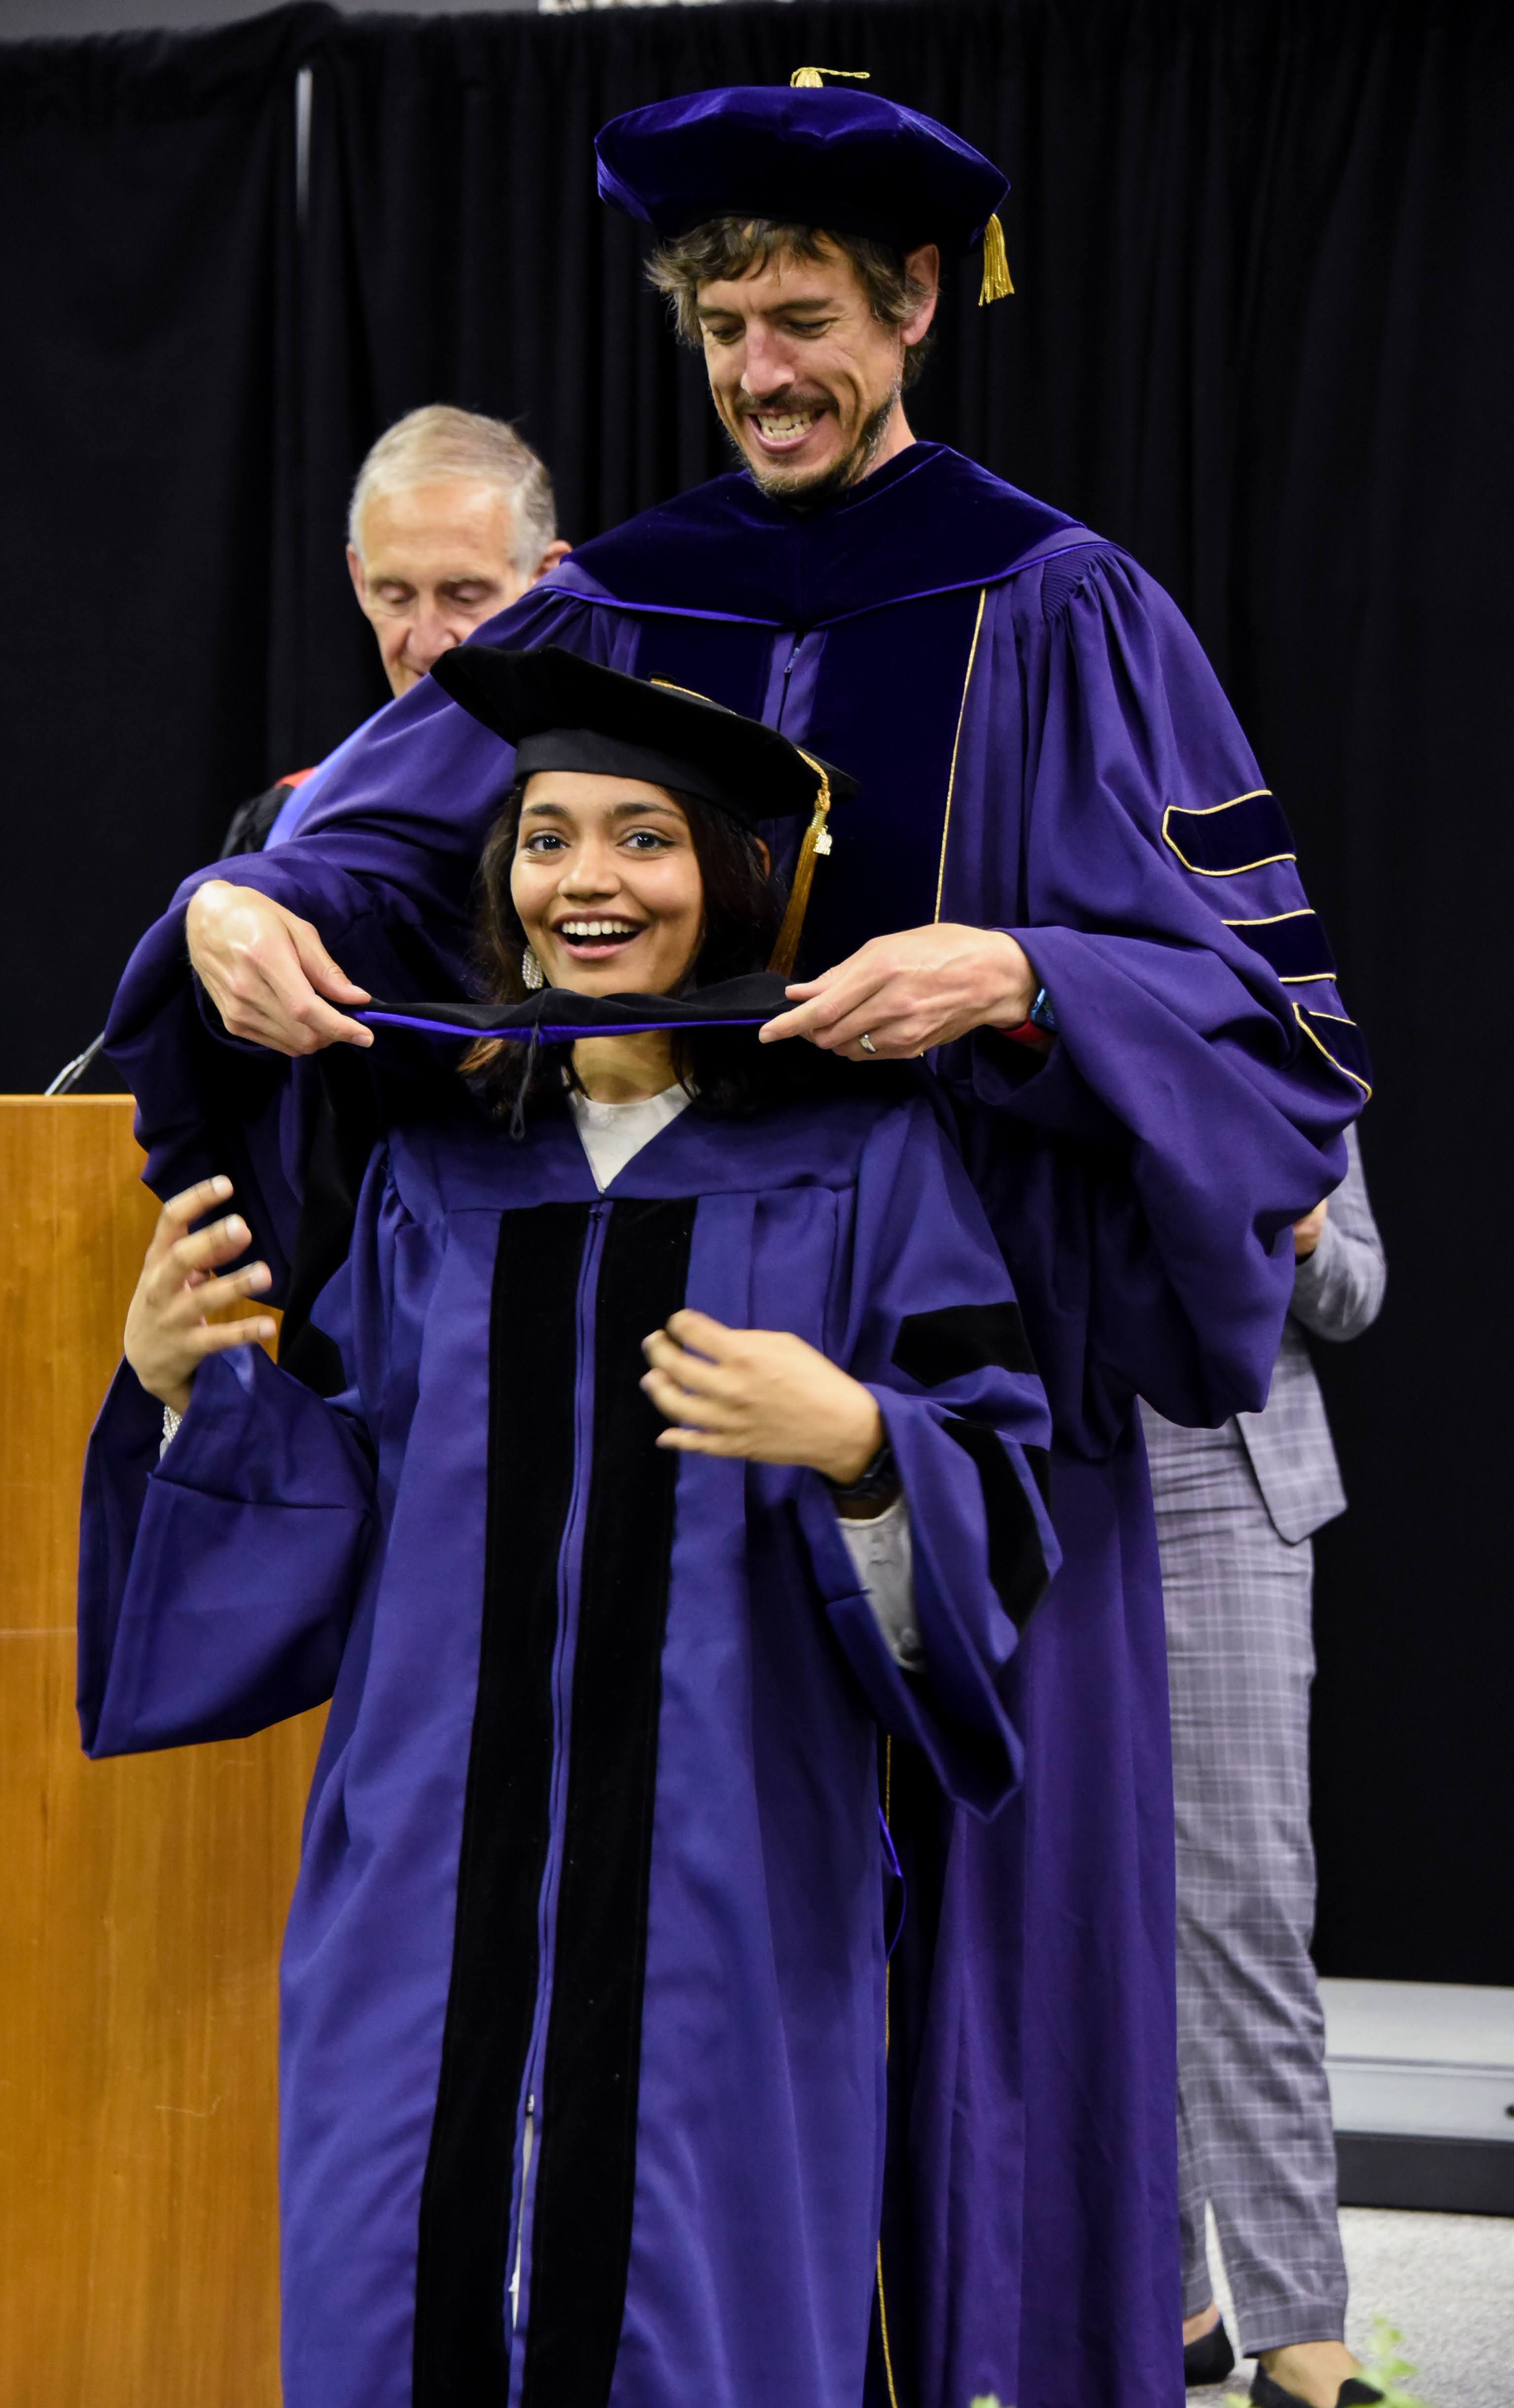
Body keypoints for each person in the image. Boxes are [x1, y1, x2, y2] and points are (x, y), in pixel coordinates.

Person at [102, 76, 1370, 2408]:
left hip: (964, 1394)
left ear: (913, 310)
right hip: (639, 1369)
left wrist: (1017, 970)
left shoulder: (1062, 603)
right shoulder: (610, 599)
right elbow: (383, 852)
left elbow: (1266, 1025)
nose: (763, 372)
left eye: (805, 318)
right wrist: (243, 907)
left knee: (976, 2012)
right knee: (633, 1986)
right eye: (721, 330)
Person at [79, 652, 1059, 2408]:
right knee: (406, 2290)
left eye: (643, 839)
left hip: (726, 1886)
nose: (588, 879)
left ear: (732, 881)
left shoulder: (861, 1161)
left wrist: (855, 1439)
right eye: (544, 839)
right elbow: (344, 1502)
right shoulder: (435, 1173)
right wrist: (179, 1386)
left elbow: (993, 1490)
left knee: (699, 2311)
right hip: (424, 1892)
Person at [1142, 1129, 1386, 2408]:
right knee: (1080, 1919)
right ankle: (1165, 2290)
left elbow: (1354, 1290)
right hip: (1028, 1458)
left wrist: (1298, 1233)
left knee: (1242, 1908)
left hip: (1222, 1478)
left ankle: (1301, 2322)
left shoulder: (1281, 1033)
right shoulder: (983, 994)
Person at [220, 405, 570, 855]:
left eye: (464, 595)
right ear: (360, 581)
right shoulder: (295, 823)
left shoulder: (613, 801)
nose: (427, 643)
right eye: (396, 596)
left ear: (546, 581)